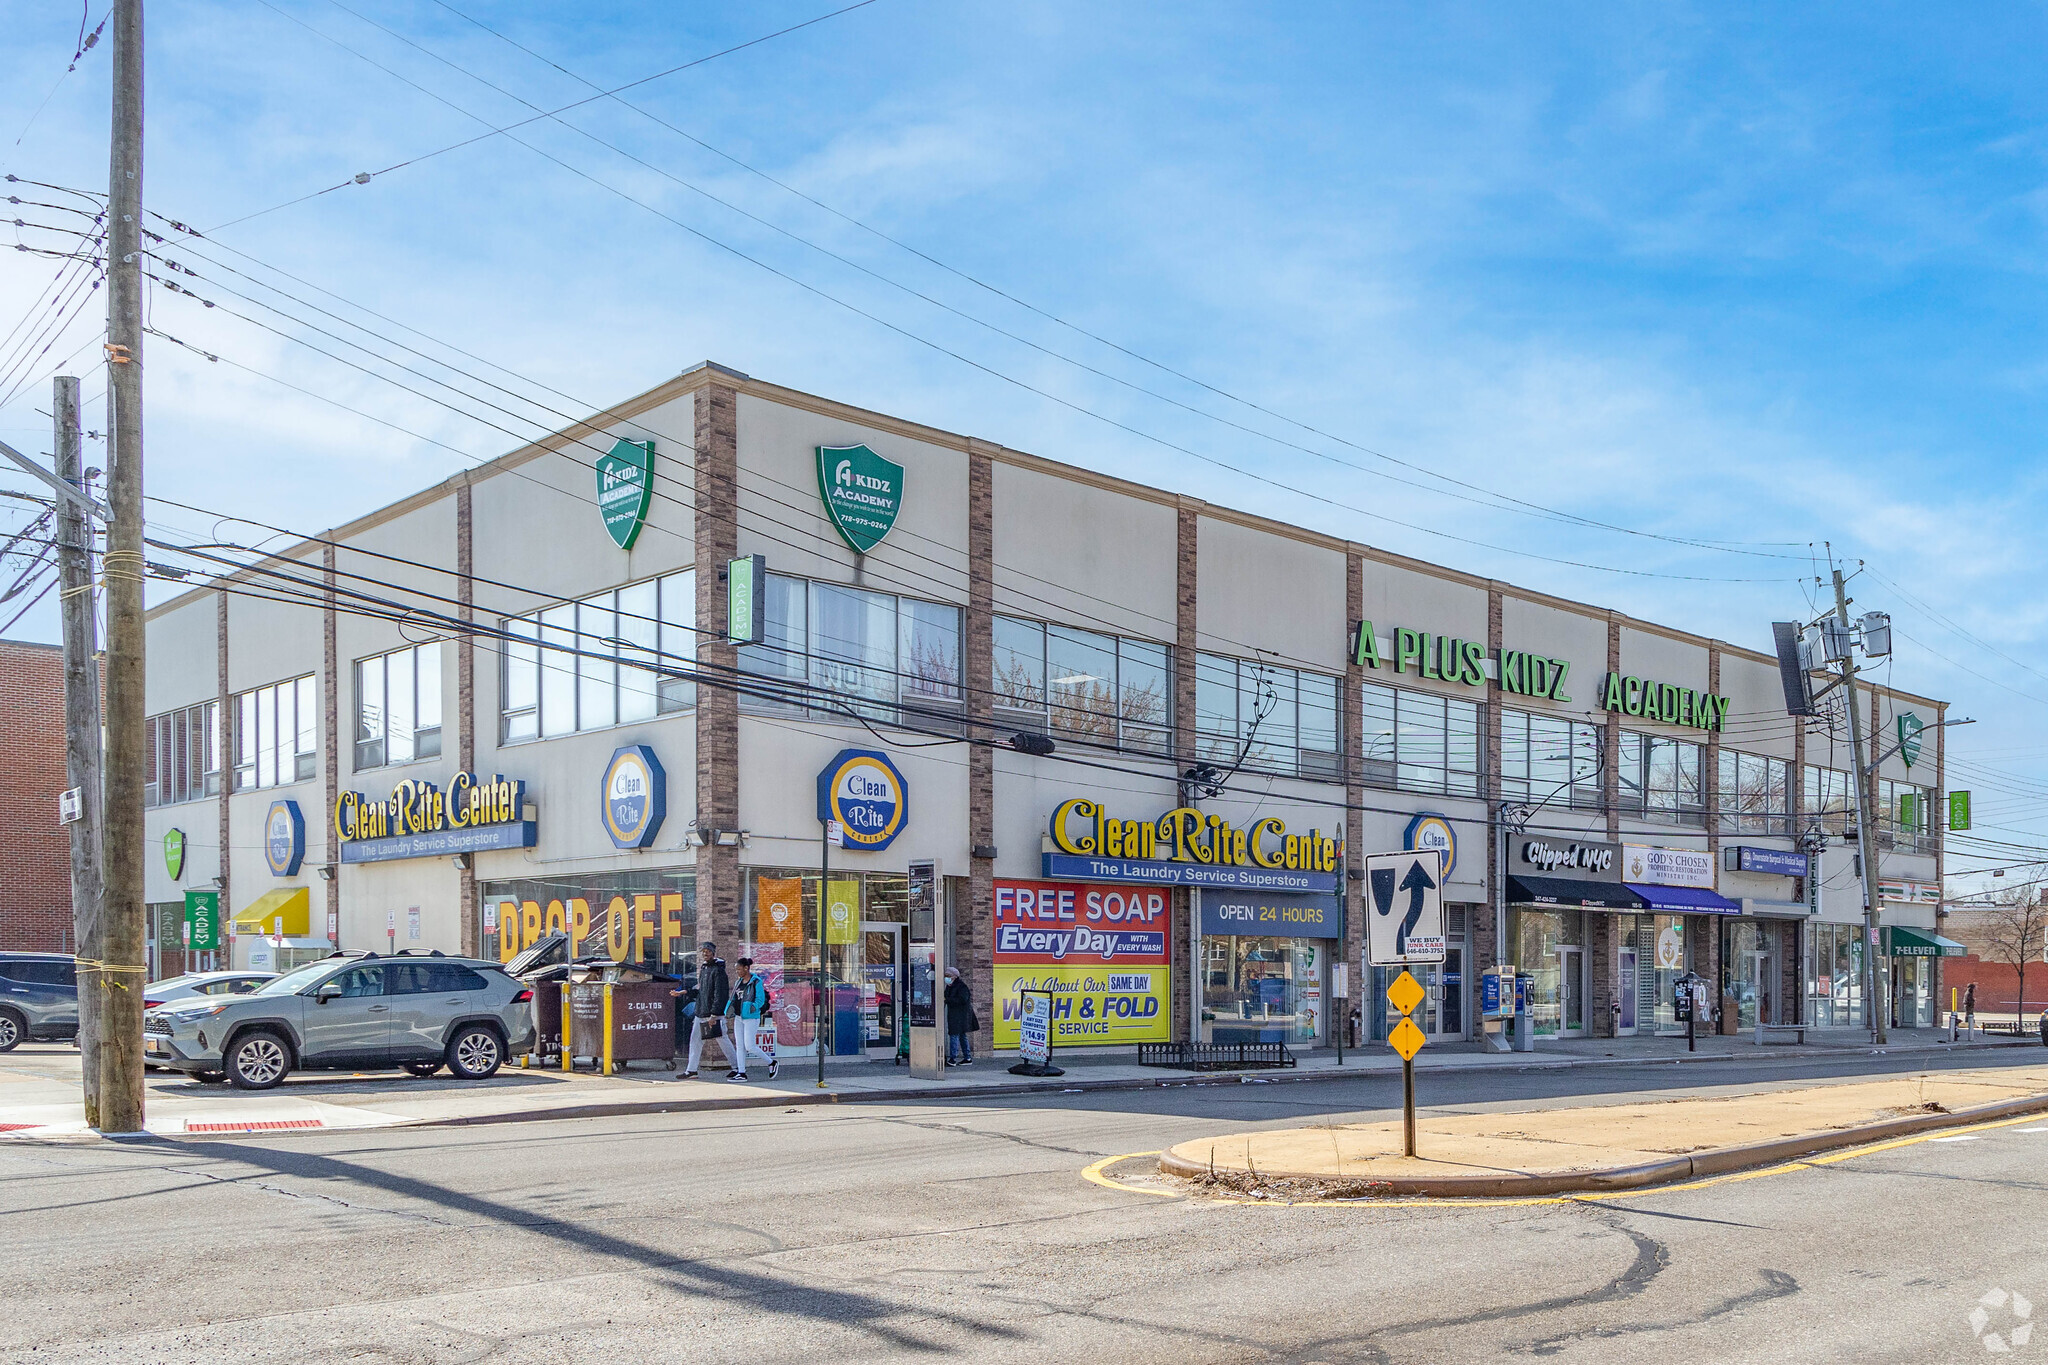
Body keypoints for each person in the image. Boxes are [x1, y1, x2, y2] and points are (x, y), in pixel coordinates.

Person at [673, 941, 731, 1080]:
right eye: (703, 951)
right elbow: (701, 991)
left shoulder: (718, 971)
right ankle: (691, 1070)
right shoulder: (705, 969)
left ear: (713, 953)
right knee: (695, 1041)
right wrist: (683, 993)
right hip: (701, 1012)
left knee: (722, 1040)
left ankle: (737, 1068)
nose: (705, 953)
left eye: (708, 951)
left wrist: (714, 1014)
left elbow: (720, 994)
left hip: (712, 1014)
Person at [723, 956, 778, 1081]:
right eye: (736, 970)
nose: (737, 972)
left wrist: (752, 1007)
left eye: (739, 969)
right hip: (738, 1016)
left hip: (751, 1018)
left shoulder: (756, 982)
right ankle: (741, 1072)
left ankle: (771, 1062)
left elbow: (760, 999)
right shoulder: (738, 982)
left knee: (750, 1046)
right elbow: (734, 997)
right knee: (740, 1046)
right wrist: (729, 1009)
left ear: (746, 968)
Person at [944, 966, 976, 1066]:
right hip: (955, 1014)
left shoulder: (961, 986)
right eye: (946, 975)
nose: (946, 977)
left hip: (960, 1015)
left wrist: (948, 1000)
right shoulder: (950, 986)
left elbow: (963, 999)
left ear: (954, 976)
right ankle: (967, 1057)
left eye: (948, 975)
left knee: (954, 1035)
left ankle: (953, 1058)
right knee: (962, 1035)